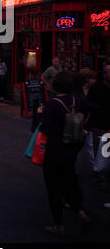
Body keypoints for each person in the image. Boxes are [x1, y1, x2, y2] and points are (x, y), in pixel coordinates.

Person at [39, 71, 101, 237]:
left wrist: (40, 113)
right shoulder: (76, 101)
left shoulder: (52, 104)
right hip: (71, 149)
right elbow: (96, 109)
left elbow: (45, 128)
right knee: (69, 181)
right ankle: (81, 213)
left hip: (54, 150)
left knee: (53, 187)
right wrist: (85, 126)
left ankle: (59, 225)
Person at [87, 65, 110, 192]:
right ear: (105, 75)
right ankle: (101, 180)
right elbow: (88, 106)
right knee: (101, 154)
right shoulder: (96, 89)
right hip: (99, 127)